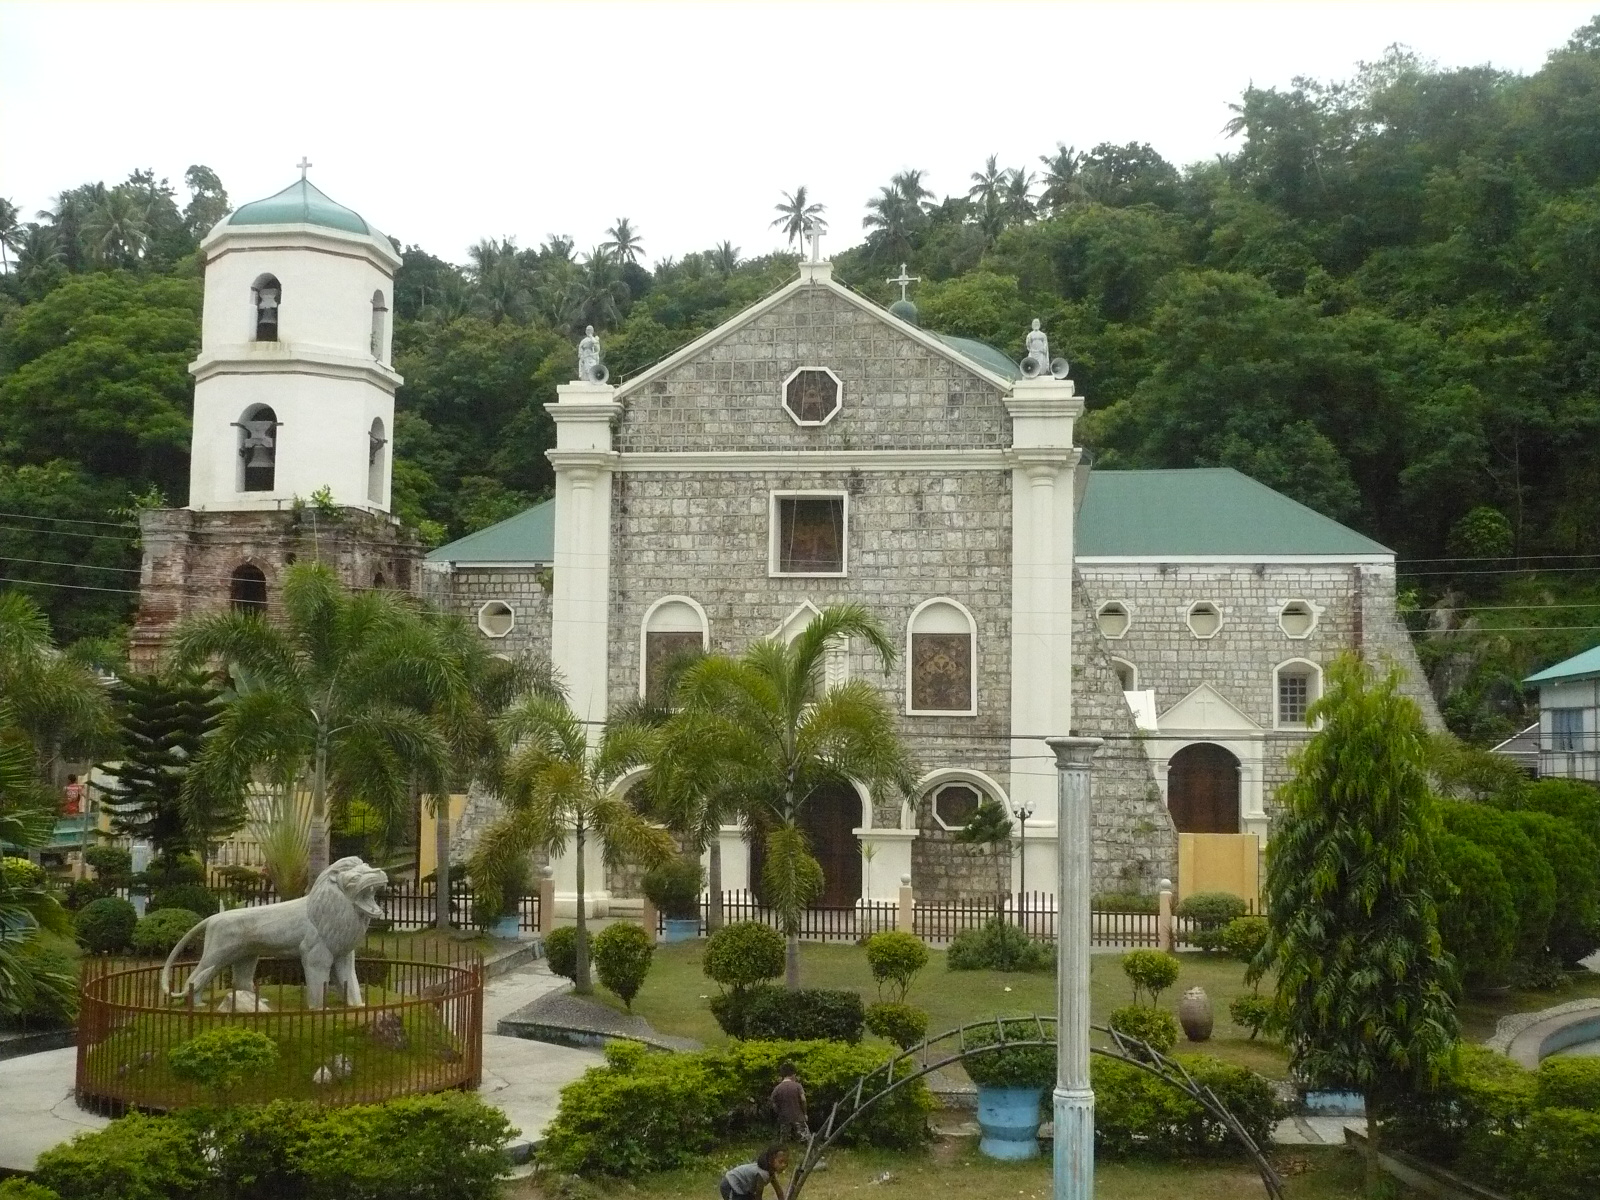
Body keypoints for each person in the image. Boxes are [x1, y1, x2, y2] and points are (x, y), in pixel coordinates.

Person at [719, 1145, 788, 1200]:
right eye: (780, 1162)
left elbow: (779, 1191)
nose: (784, 1165)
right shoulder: (762, 1174)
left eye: (785, 1162)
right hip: (730, 1184)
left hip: (742, 1189)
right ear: (771, 1160)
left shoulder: (770, 1173)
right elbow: (758, 1196)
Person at [770, 1062, 809, 1142]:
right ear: (793, 1074)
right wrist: (805, 1113)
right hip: (798, 1116)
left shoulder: (777, 1088)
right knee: (805, 1139)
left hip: (784, 1117)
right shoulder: (798, 1086)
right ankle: (811, 1152)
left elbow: (774, 1104)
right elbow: (803, 1100)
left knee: (784, 1140)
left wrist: (779, 1113)